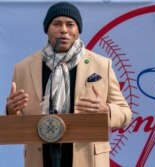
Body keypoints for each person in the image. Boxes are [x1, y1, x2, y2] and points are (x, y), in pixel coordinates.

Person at [5, 2, 132, 167]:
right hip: (41, 159)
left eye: (70, 24)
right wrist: (11, 111)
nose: (63, 30)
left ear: (78, 30)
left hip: (87, 160)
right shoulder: (23, 68)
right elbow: (17, 122)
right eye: (56, 24)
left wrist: (106, 110)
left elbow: (125, 113)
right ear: (47, 29)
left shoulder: (101, 65)